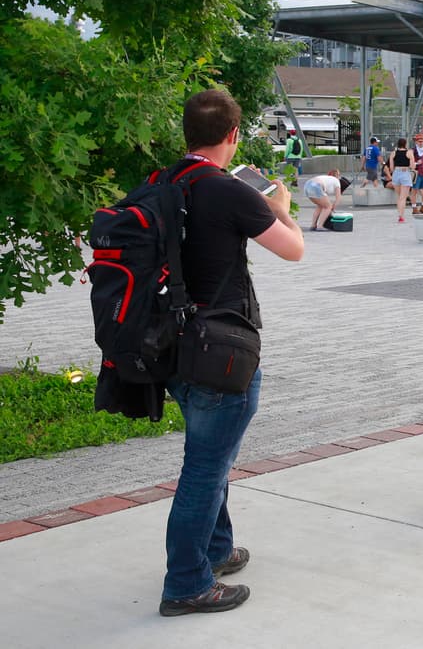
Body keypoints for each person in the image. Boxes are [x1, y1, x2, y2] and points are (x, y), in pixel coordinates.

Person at [159, 89, 303, 616]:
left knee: (209, 456)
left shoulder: (162, 182)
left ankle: (215, 552)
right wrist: (282, 209)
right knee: (204, 467)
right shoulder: (227, 190)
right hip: (222, 349)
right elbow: (294, 249)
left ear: (187, 132)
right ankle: (186, 584)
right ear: (234, 135)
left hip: (170, 343)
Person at [388, 138, 416, 223]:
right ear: (405, 144)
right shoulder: (409, 152)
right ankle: (401, 216)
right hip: (405, 173)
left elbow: (391, 168)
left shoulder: (393, 153)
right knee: (403, 197)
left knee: (399, 196)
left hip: (396, 173)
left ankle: (400, 214)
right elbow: (412, 166)